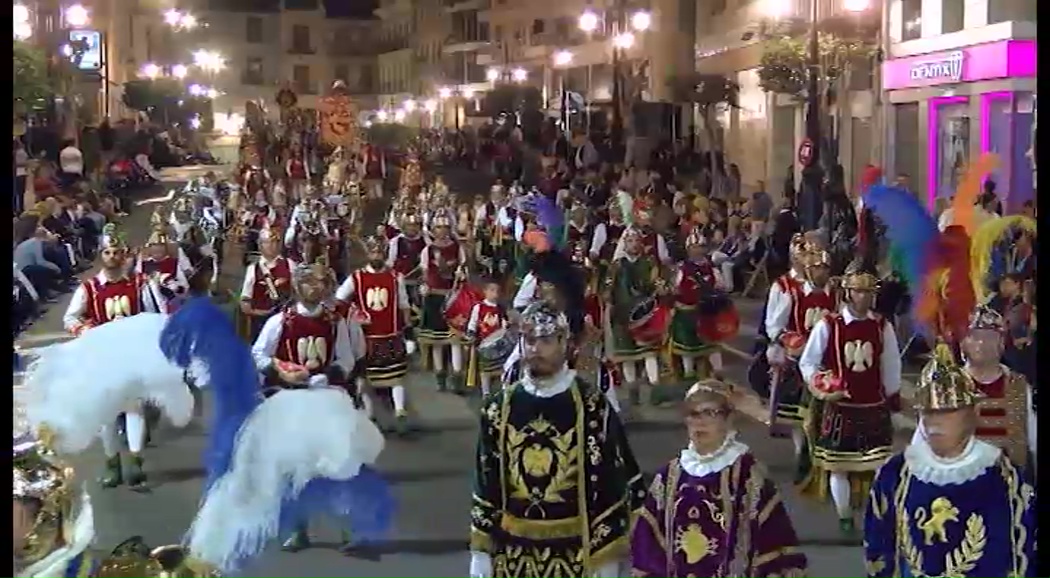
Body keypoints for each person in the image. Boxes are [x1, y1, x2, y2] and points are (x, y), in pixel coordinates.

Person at [469, 301, 646, 578]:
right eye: (529, 340)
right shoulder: (499, 406)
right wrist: (481, 553)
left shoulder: (591, 406)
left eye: (546, 340)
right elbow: (485, 480)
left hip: (576, 555)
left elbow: (612, 479)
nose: (536, 349)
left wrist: (605, 559)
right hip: (513, 556)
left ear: (564, 342)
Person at [862, 347, 1036, 578]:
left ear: (972, 414)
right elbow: (879, 551)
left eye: (948, 412)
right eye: (929, 413)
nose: (935, 422)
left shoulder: (1005, 480)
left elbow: (1023, 558)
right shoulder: (894, 474)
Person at [630, 379, 808, 577]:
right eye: (693, 414)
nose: (700, 422)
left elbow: (774, 543)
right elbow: (648, 545)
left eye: (710, 413)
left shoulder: (749, 477)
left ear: (728, 418)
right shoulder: (668, 477)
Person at [797, 259, 906, 535]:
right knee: (839, 467)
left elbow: (891, 364)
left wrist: (892, 398)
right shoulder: (828, 325)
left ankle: (878, 517)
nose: (864, 297)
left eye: (869, 292)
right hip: (840, 408)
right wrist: (821, 384)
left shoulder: (883, 326)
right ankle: (845, 517)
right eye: (858, 291)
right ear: (847, 293)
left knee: (879, 465)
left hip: (873, 406)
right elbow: (808, 362)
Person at [61, 230, 167, 490]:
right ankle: (112, 465)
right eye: (108, 252)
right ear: (101, 255)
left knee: (133, 407)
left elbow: (158, 316)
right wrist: (86, 330)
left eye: (117, 252)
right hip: (102, 358)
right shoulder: (89, 288)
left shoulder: (140, 283)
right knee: (106, 413)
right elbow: (70, 318)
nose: (113, 257)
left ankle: (135, 462)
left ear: (125, 255)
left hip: (131, 356)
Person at [764, 242, 837, 477]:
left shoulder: (836, 293)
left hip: (828, 364)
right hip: (798, 361)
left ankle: (823, 455)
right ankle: (801, 455)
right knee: (798, 414)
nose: (822, 273)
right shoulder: (790, 291)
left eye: (825, 268)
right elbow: (775, 325)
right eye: (817, 268)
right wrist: (792, 341)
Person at [335, 236, 414, 434]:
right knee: (366, 379)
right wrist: (354, 313)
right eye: (373, 252)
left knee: (396, 376)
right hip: (366, 338)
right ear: (367, 254)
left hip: (391, 334)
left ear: (385, 253)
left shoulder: (396, 277)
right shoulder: (356, 278)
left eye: (380, 252)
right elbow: (339, 300)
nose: (376, 255)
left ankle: (400, 411)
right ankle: (370, 415)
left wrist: (409, 332)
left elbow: (404, 305)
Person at [418, 213, 467, 391]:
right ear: (433, 230)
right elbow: (425, 274)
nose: (442, 231)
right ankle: (440, 376)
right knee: (437, 341)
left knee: (455, 339)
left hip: (453, 298)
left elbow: (463, 268)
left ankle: (457, 376)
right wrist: (425, 287)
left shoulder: (456, 248)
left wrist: (462, 277)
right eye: (439, 228)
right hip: (434, 298)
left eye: (445, 228)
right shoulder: (428, 250)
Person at [239, 224, 296, 342]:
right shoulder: (253, 269)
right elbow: (245, 302)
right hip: (261, 323)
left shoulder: (289, 264)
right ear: (260, 245)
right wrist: (262, 313)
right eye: (267, 242)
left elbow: (298, 292)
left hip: (285, 322)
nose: (271, 246)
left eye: (274, 242)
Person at [463, 278, 508, 396]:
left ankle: (501, 390)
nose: (495, 294)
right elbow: (473, 322)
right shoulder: (479, 307)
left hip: (498, 343)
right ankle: (486, 392)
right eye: (492, 290)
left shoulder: (500, 308)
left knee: (500, 368)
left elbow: (504, 324)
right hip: (483, 343)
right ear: (485, 291)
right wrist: (471, 334)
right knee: (485, 370)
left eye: (497, 291)